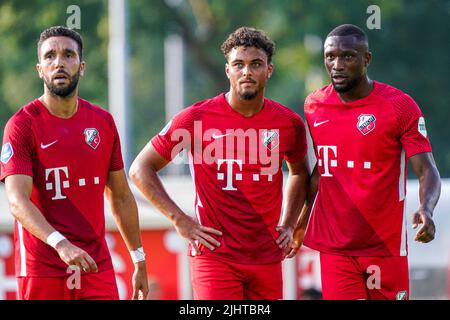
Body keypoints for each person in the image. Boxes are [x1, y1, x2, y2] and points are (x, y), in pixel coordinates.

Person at [129, 27, 309, 300]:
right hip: (214, 255)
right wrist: (179, 219)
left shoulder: (288, 123)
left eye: (255, 64)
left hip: (267, 255)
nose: (246, 72)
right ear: (228, 71)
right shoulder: (195, 119)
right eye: (238, 64)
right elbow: (140, 169)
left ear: (269, 70)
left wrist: (288, 223)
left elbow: (299, 174)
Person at [289, 24, 441, 300]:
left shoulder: (400, 106)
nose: (337, 64)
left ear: (366, 59)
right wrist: (300, 223)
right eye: (330, 56)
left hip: (384, 244)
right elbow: (322, 171)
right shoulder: (314, 105)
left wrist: (426, 208)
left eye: (347, 56)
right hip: (335, 246)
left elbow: (426, 169)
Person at [0, 26, 149, 300]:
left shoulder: (102, 123)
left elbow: (121, 197)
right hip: (42, 267)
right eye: (50, 56)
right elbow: (17, 202)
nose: (58, 62)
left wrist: (138, 258)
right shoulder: (21, 126)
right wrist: (61, 244)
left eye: (68, 55)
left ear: (81, 67)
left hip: (96, 266)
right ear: (39, 69)